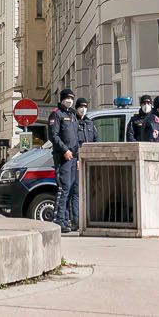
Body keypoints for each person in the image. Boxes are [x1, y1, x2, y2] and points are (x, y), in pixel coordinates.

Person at [49, 88, 86, 233]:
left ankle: (66, 220)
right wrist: (65, 150)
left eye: (72, 98)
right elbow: (53, 136)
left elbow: (76, 138)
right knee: (63, 188)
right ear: (62, 98)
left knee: (70, 189)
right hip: (63, 157)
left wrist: (76, 156)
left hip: (73, 158)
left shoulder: (72, 115)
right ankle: (59, 220)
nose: (70, 100)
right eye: (67, 98)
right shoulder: (56, 114)